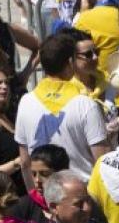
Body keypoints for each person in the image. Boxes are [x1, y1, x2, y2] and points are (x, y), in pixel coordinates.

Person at [15, 32, 108, 178]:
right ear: (70, 62)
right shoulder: (86, 105)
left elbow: (25, 162)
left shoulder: (25, 101)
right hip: (80, 195)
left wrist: (34, 195)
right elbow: (103, 163)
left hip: (42, 195)